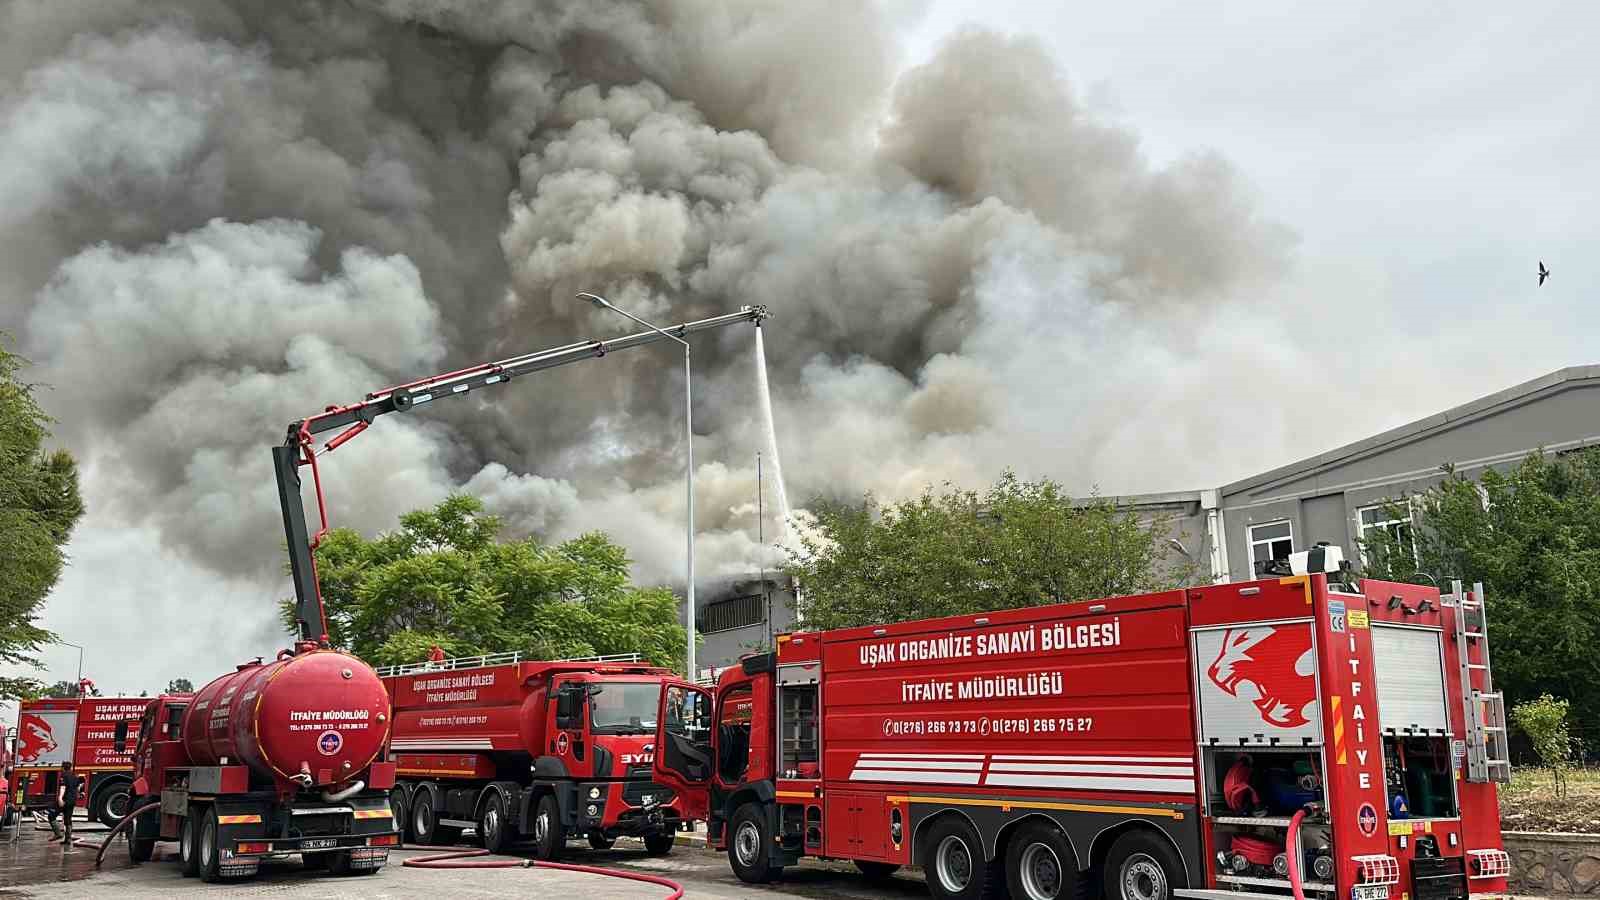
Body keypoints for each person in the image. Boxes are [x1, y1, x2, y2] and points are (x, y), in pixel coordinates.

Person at [47, 761, 81, 846]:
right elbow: (78, 788)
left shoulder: (64, 775)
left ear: (63, 768)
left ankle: (58, 833)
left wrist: (60, 798)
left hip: (65, 800)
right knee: (68, 819)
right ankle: (68, 839)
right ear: (70, 767)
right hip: (72, 801)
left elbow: (63, 787)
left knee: (51, 815)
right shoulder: (75, 776)